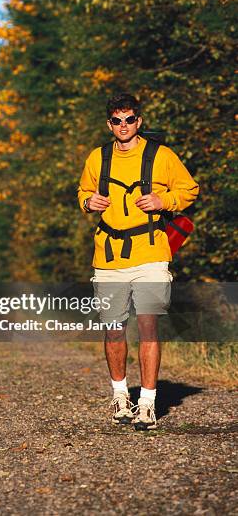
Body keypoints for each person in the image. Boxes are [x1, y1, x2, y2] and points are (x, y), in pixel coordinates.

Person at [77, 93, 199, 430]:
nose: (124, 126)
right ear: (109, 124)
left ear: (139, 121)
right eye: (117, 121)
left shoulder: (161, 156)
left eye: (129, 119)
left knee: (148, 325)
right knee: (113, 327)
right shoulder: (97, 158)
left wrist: (164, 200)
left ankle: (147, 402)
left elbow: (189, 190)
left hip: (151, 250)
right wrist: (89, 203)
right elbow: (82, 192)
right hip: (109, 253)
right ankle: (120, 395)